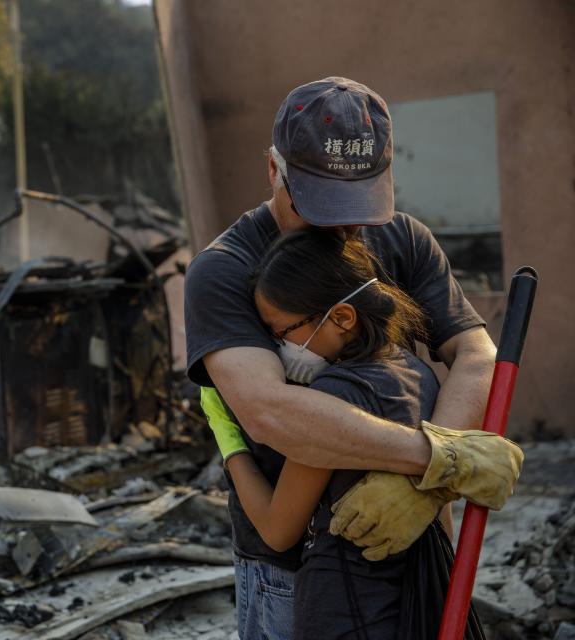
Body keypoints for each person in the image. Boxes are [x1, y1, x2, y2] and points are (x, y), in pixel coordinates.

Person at [184, 77, 522, 640]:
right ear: (275, 171)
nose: (340, 228)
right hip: (294, 578)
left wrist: (425, 488)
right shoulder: (224, 270)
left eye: (355, 206)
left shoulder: (403, 239)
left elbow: (475, 353)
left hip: (415, 550)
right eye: (319, 205)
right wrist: (436, 462)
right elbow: (272, 412)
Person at [219, 229, 484, 639]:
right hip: (417, 607)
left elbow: (277, 529)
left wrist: (230, 444)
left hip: (342, 614)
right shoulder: (421, 376)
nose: (279, 347)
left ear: (342, 317)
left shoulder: (334, 399)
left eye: (283, 331)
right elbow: (442, 521)